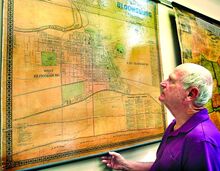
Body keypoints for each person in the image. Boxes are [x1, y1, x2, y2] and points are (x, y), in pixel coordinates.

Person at [101, 63, 220, 171]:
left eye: (171, 81)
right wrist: (127, 165)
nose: (163, 83)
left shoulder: (201, 140)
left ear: (190, 94)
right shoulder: (176, 125)